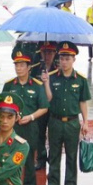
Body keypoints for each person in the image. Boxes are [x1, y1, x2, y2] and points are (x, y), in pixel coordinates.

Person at [0, 47, 50, 185]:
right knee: (9, 157)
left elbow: (44, 107)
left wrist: (31, 117)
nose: (18, 68)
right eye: (16, 65)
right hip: (12, 128)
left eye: (22, 65)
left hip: (29, 127)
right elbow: (1, 105)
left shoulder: (36, 85)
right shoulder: (9, 85)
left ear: (29, 68)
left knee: (28, 160)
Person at [45, 41, 91, 185]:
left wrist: (85, 122)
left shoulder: (80, 80)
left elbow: (83, 102)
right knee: (54, 154)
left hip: (72, 123)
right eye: (62, 58)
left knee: (72, 155)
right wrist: (45, 83)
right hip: (55, 121)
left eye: (67, 59)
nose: (64, 62)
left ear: (74, 59)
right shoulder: (51, 78)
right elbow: (48, 99)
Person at [36, 41, 59, 170]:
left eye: (50, 52)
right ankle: (41, 158)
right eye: (45, 52)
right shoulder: (35, 68)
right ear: (40, 52)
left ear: (55, 53)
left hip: (54, 106)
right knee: (40, 133)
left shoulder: (59, 69)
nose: (47, 55)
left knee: (54, 135)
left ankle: (52, 156)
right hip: (40, 106)